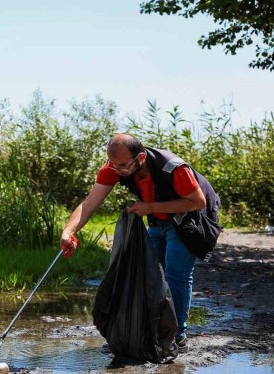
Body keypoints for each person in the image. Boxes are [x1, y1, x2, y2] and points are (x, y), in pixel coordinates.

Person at [60, 133, 216, 353]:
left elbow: (197, 201)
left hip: (190, 218)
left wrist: (150, 207)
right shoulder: (114, 167)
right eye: (114, 165)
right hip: (157, 218)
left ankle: (177, 335)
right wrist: (68, 231)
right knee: (150, 273)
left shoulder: (173, 168)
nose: (118, 170)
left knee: (175, 274)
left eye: (123, 165)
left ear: (141, 157)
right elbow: (90, 203)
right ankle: (152, 329)